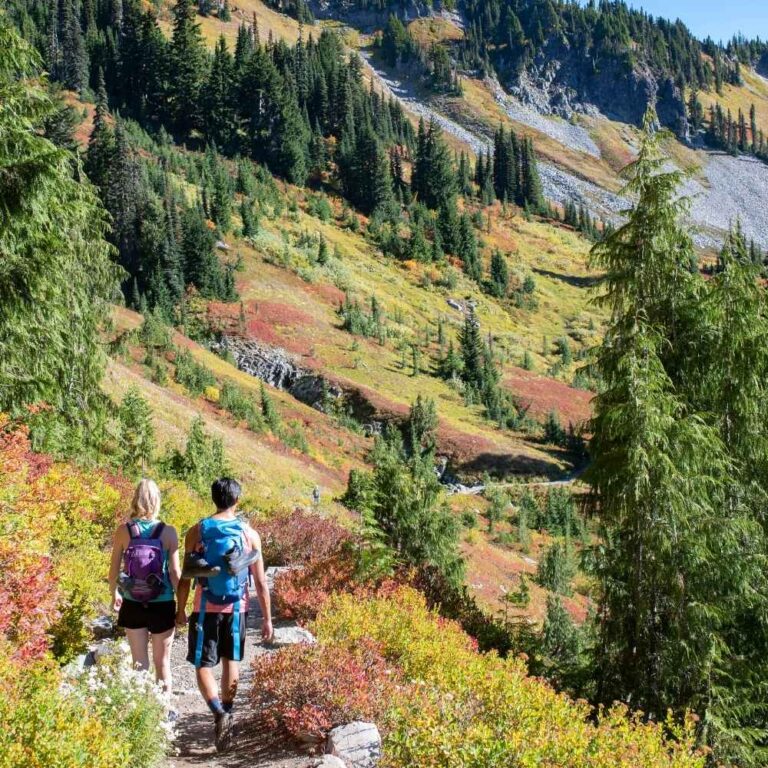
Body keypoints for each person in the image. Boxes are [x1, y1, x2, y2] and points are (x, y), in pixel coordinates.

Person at [176, 477, 273, 753]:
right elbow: (262, 582)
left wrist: (180, 608)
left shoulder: (197, 531)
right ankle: (228, 710)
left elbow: (186, 576)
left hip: (204, 607)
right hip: (237, 607)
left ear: (213, 498)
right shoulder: (249, 535)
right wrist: (267, 619)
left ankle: (218, 711)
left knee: (203, 664)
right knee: (231, 660)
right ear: (237, 501)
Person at [108, 478, 181, 700]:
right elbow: (175, 573)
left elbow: (113, 571)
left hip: (132, 603)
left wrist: (115, 594)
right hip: (163, 603)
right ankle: (164, 714)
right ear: (157, 500)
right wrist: (183, 606)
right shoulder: (169, 532)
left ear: (134, 499)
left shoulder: (123, 531)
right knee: (163, 664)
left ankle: (142, 715)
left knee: (139, 664)